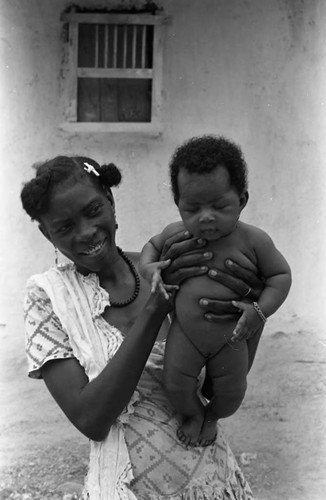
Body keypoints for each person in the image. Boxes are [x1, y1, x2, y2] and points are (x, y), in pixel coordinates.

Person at [21, 155, 264, 500]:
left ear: (110, 200)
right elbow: (91, 419)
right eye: (64, 227)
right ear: (47, 234)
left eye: (93, 211)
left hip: (212, 481)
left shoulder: (168, 268)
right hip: (128, 490)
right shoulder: (48, 299)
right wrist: (154, 311)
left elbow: (214, 388)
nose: (86, 232)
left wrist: (250, 316)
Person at [140, 135, 292, 447]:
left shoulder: (255, 241)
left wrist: (259, 311)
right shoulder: (174, 234)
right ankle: (195, 413)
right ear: (177, 205)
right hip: (186, 333)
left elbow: (281, 276)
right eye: (192, 208)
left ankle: (212, 417)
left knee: (232, 393)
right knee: (175, 385)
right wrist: (149, 268)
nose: (206, 216)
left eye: (220, 206)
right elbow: (151, 248)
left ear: (242, 200)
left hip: (233, 334)